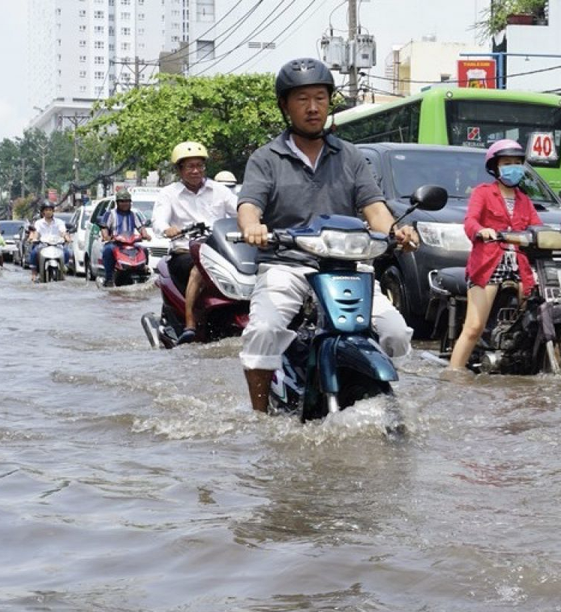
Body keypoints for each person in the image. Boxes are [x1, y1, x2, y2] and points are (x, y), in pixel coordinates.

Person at [237, 57, 418, 413]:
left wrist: (398, 231)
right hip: (288, 264)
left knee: (395, 332)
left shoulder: (349, 156)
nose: (313, 107)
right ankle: (257, 416)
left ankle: (384, 393)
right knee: (262, 331)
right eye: (302, 99)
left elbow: (375, 209)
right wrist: (252, 228)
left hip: (347, 266)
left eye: (320, 97)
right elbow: (249, 205)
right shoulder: (265, 158)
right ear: (285, 106)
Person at [447, 139, 544, 373]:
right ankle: (453, 373)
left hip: (520, 265)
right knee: (474, 326)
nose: (513, 167)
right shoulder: (483, 193)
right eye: (507, 162)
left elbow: (538, 227)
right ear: (495, 167)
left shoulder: (524, 199)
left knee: (533, 314)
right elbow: (470, 221)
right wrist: (481, 231)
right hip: (489, 264)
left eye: (517, 163)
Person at [151, 141, 238, 342]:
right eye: (190, 166)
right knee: (201, 267)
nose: (196, 171)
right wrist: (167, 229)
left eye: (200, 165)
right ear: (179, 169)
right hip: (185, 252)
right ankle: (190, 322)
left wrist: (255, 222)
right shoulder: (168, 194)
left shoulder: (220, 191)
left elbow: (240, 211)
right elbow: (159, 220)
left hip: (220, 249)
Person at [99, 191, 151, 287]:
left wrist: (145, 235)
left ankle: (144, 272)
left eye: (127, 201)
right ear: (117, 202)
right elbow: (104, 227)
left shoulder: (133, 215)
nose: (125, 204)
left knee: (143, 250)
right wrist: (106, 237)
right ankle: (109, 278)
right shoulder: (110, 214)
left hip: (130, 243)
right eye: (122, 201)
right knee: (108, 250)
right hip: (115, 243)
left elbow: (141, 228)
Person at [29, 201, 72, 281]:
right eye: (46, 210)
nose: (48, 212)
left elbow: (63, 231)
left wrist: (67, 238)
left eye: (50, 210)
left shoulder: (59, 222)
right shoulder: (38, 223)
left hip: (57, 244)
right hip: (43, 245)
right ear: (43, 212)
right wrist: (34, 238)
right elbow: (36, 233)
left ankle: (63, 270)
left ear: (53, 211)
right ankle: (34, 273)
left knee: (66, 252)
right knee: (34, 252)